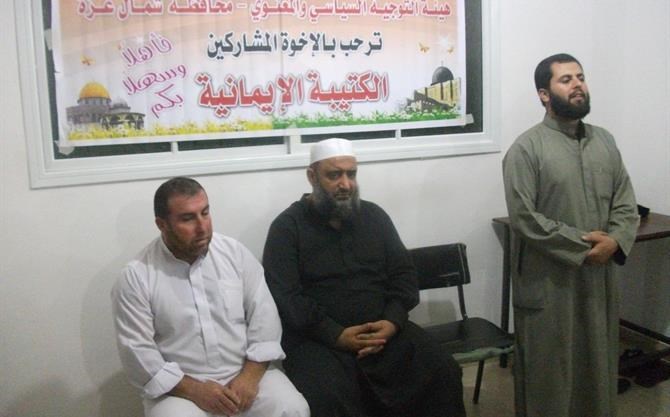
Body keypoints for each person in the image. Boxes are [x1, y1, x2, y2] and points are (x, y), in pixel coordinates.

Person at [262, 138, 466, 417]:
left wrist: (392, 322)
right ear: (312, 176)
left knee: (442, 369)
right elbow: (286, 297)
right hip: (320, 341)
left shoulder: (374, 216)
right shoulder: (287, 228)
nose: (346, 184)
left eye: (351, 174)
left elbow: (404, 276)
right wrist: (335, 335)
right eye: (334, 175)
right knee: (327, 397)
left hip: (385, 332)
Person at [502, 54, 639, 417]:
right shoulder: (526, 149)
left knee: (598, 364)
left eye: (580, 77)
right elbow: (524, 218)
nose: (577, 84)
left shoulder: (604, 141)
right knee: (550, 372)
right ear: (544, 94)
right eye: (565, 80)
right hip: (549, 281)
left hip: (598, 279)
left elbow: (626, 202)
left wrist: (615, 240)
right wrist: (585, 246)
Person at [111, 177, 309, 417]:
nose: (202, 227)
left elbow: (265, 319)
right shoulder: (137, 276)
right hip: (179, 389)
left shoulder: (234, 254)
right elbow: (138, 353)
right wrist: (194, 390)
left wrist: (248, 377)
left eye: (205, 213)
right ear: (162, 225)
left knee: (291, 408)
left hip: (245, 373)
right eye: (188, 218)